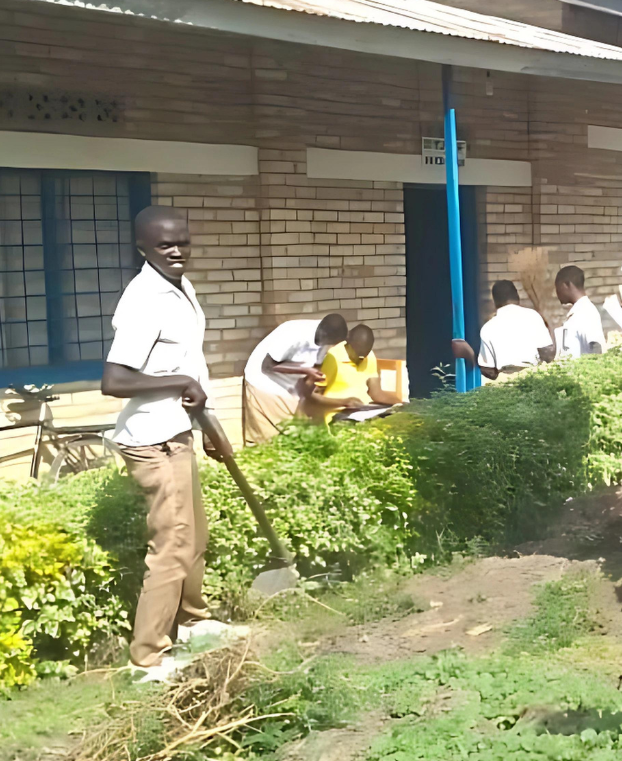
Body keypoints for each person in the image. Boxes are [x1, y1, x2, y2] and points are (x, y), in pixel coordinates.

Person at [101, 206, 237, 683]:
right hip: (153, 440)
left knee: (193, 535)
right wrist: (178, 382)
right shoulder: (145, 299)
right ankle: (147, 659)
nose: (177, 250)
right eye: (165, 244)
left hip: (179, 431)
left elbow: (191, 368)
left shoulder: (180, 287)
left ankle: (193, 622)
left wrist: (210, 427)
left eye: (183, 241)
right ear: (143, 247)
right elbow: (115, 380)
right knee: (172, 544)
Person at [241, 313, 348, 443]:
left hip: (291, 385)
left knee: (296, 429)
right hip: (265, 381)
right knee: (270, 436)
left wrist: (313, 385)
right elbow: (267, 365)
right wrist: (306, 371)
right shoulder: (293, 333)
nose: (330, 346)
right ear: (323, 333)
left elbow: (317, 365)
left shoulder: (327, 337)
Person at [308, 324, 399, 421]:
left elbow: (376, 393)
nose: (361, 359)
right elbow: (312, 395)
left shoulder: (369, 356)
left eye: (364, 355)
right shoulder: (332, 357)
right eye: (358, 355)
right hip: (338, 411)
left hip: (364, 409)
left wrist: (401, 403)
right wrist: (344, 402)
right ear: (348, 343)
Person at [476, 280, 555, 379]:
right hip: (534, 379)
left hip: (506, 382)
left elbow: (488, 369)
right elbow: (547, 354)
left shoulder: (487, 328)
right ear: (517, 297)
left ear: (495, 302)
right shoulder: (533, 316)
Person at [553, 265, 606, 359]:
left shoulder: (586, 312)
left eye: (557, 287)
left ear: (565, 285)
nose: (557, 293)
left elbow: (596, 347)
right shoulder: (578, 311)